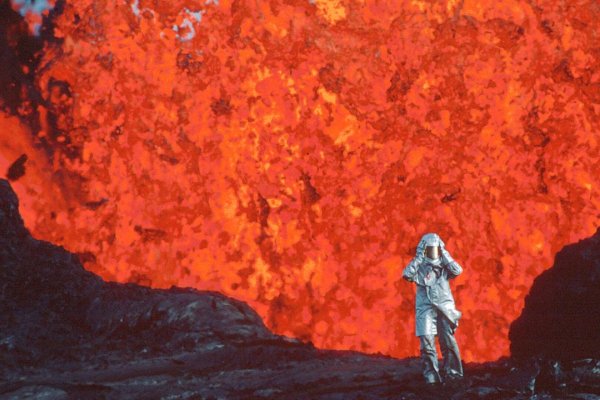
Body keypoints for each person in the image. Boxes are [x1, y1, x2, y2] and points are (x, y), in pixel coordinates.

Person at [402, 232, 464, 384]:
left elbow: (457, 270)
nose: (432, 252)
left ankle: (454, 373)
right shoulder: (420, 265)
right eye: (429, 249)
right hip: (425, 307)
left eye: (435, 249)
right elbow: (407, 274)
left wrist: (444, 254)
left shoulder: (444, 264)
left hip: (444, 306)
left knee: (447, 341)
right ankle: (431, 377)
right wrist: (418, 258)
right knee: (427, 342)